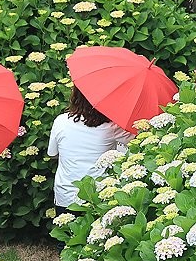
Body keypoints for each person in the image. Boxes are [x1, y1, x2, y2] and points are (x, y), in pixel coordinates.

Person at [48, 85, 133, 216]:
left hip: (66, 195)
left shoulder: (61, 121)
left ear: (75, 97)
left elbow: (53, 154)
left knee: (69, 234)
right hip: (100, 197)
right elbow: (137, 142)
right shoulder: (112, 127)